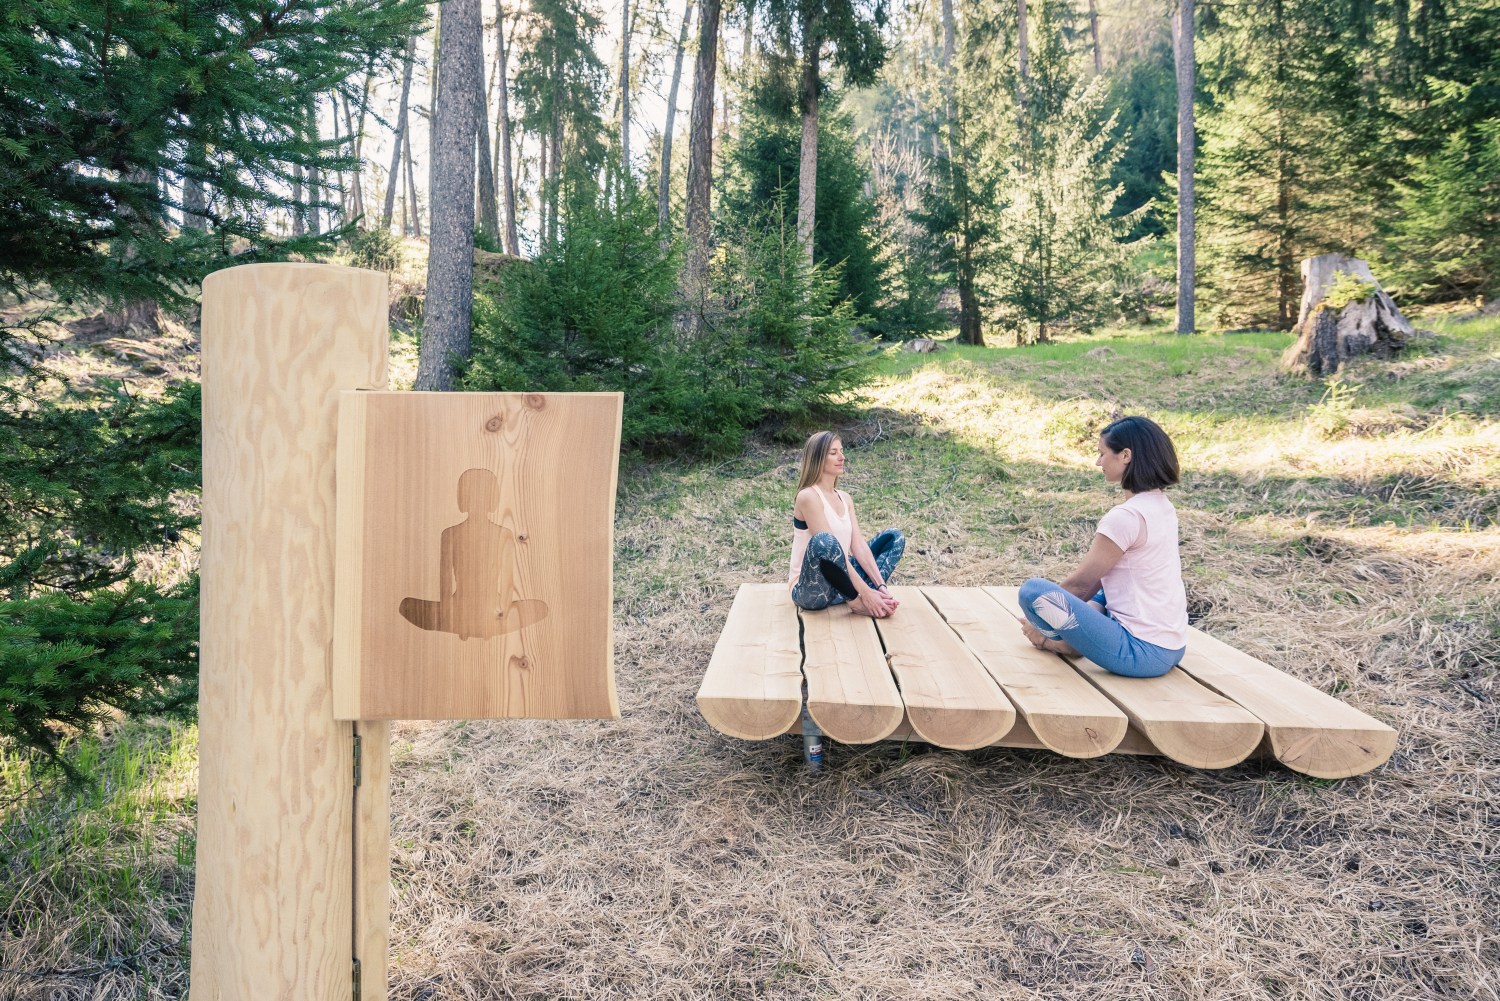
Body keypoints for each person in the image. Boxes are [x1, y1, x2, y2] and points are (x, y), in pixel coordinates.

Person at [1018, 415, 1188, 677]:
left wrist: (1040, 624)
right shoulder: (1162, 506)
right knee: (1108, 585)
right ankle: (1074, 638)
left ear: (1126, 456)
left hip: (1140, 652)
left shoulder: (1126, 517)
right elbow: (1098, 583)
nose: (1098, 462)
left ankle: (1059, 642)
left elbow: (1080, 585)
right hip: (1172, 647)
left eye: (1102, 453)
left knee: (1033, 591)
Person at [788, 431, 905, 617]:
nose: (842, 457)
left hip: (840, 585)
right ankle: (856, 601)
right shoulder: (808, 497)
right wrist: (864, 594)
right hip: (811, 590)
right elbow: (832, 553)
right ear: (818, 458)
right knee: (825, 541)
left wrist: (880, 586)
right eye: (833, 453)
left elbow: (857, 545)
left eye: (841, 451)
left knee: (894, 538)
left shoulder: (845, 498)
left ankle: (870, 594)